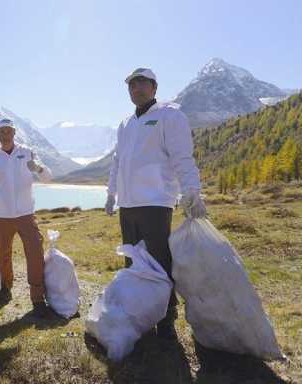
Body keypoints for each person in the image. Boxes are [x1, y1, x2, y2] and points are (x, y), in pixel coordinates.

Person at [106, 67, 207, 339]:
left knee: (159, 260)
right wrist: (111, 194)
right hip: (128, 205)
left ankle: (165, 317)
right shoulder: (126, 124)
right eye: (131, 85)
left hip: (155, 202)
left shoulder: (169, 116)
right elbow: (118, 162)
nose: (136, 88)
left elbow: (182, 157)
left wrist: (191, 191)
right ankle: (139, 311)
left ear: (154, 87)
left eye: (142, 83)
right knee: (133, 261)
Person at [0, 118, 54, 318]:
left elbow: (48, 177)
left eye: (9, 131)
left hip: (25, 214)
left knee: (35, 251)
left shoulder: (27, 153)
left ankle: (38, 298)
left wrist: (38, 168)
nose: (5, 135)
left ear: (14, 133)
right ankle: (5, 288)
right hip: (0, 216)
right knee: (3, 254)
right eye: (1, 132)